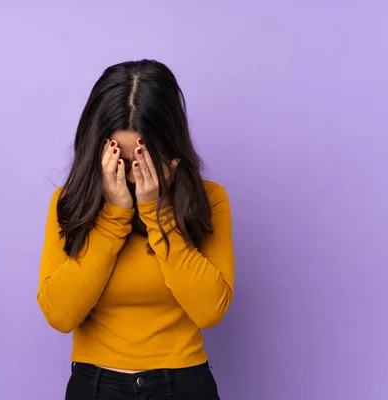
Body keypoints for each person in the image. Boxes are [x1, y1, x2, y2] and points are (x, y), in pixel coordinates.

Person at [37, 59, 235, 400]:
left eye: (144, 159)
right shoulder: (69, 203)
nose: (131, 174)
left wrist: (158, 213)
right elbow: (60, 314)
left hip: (184, 384)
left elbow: (209, 310)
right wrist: (114, 216)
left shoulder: (209, 200)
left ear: (170, 147)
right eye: (122, 160)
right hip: (95, 385)